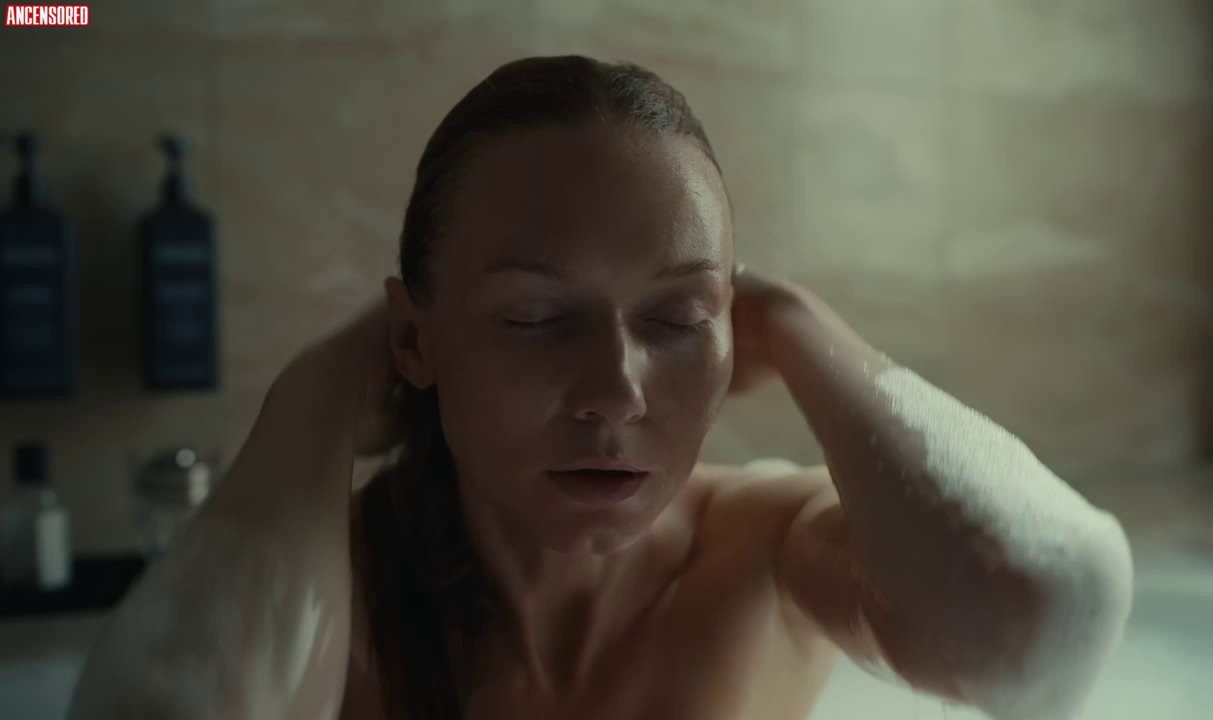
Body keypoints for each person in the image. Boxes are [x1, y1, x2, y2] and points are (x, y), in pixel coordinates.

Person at [69, 56, 1133, 720]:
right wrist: (317, 393)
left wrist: (797, 325)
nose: (615, 391)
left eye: (677, 320)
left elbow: (1043, 613)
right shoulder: (342, 597)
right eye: (537, 318)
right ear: (413, 336)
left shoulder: (768, 555)